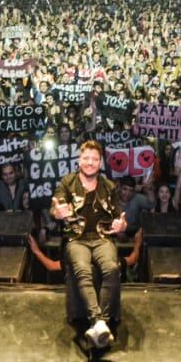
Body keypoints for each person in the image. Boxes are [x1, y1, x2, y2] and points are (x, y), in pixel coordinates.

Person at [51, 140, 127, 348]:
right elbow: (57, 205)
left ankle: (99, 323)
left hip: (102, 238)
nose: (90, 163)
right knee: (83, 270)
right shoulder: (68, 182)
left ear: (100, 162)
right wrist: (58, 213)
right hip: (77, 239)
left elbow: (119, 216)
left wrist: (121, 225)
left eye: (94, 159)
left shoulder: (109, 186)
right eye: (86, 158)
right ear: (79, 160)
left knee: (111, 268)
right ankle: (99, 321)